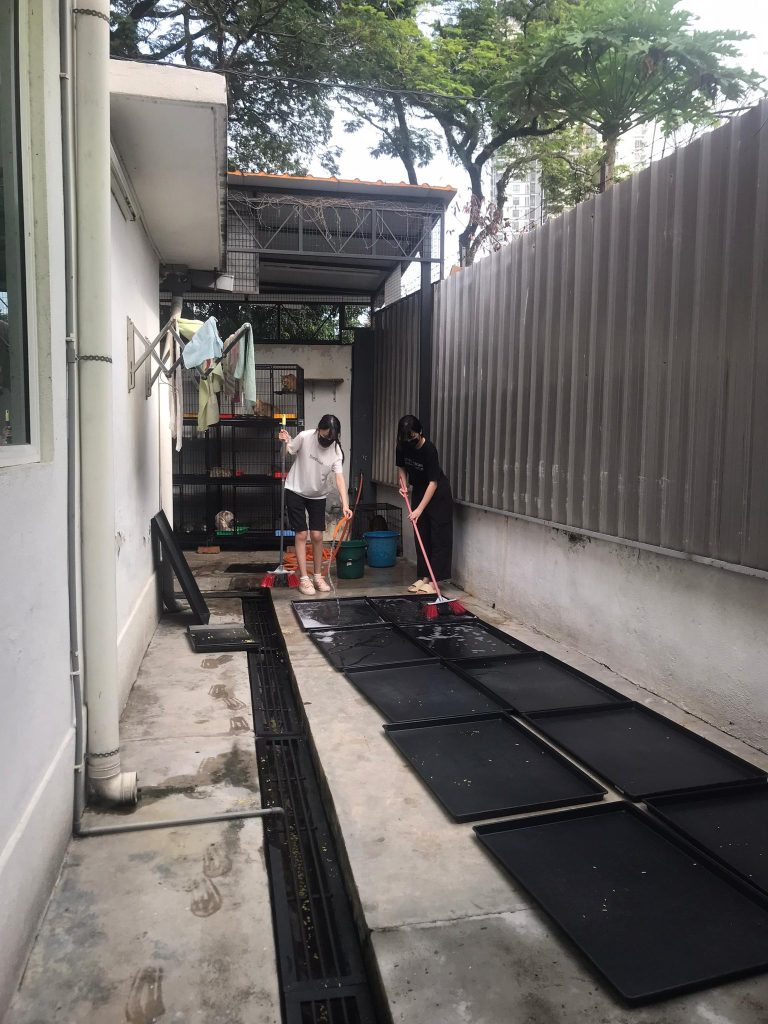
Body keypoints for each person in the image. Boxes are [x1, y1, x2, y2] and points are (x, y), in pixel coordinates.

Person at [279, 414, 352, 596]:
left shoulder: (336, 451)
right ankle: (304, 578)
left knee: (317, 535)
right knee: (302, 534)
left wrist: (345, 504)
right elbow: (288, 451)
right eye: (324, 436)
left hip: (318, 495)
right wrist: (285, 441)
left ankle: (318, 576)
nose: (327, 441)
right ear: (319, 429)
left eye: (331, 438)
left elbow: (339, 478)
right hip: (295, 489)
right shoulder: (305, 437)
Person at [396, 414, 453, 594]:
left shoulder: (429, 450)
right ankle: (425, 577)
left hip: (438, 494)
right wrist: (403, 484)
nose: (409, 441)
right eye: (406, 438)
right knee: (421, 534)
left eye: (412, 436)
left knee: (438, 536)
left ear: (420, 432)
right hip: (419, 489)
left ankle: (435, 580)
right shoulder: (402, 445)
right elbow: (401, 467)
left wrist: (419, 509)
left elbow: (433, 483)